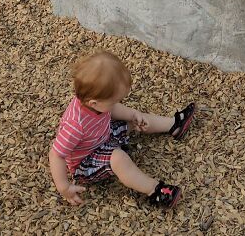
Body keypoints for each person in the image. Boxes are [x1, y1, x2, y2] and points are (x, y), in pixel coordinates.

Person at [48, 48, 195, 209]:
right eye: (114, 101)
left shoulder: (96, 103)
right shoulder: (75, 126)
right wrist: (64, 187)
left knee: (137, 120)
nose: (116, 103)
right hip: (86, 161)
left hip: (102, 135)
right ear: (94, 103)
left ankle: (173, 125)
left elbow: (112, 110)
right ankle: (155, 190)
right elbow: (56, 155)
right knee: (118, 158)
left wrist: (133, 114)